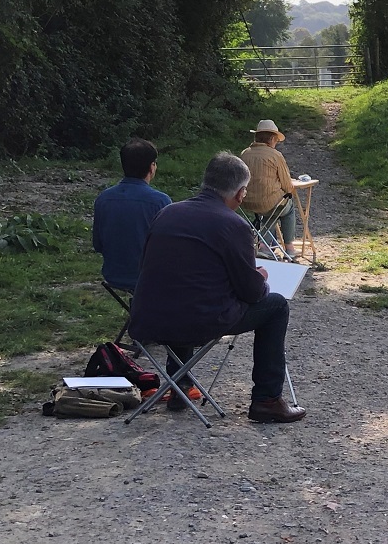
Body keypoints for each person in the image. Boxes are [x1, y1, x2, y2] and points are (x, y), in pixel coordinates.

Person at [128, 152, 306, 422]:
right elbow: (252, 293)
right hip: (198, 323)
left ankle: (180, 386)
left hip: (148, 319)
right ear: (240, 194)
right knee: (277, 306)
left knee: (183, 291)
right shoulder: (233, 224)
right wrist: (260, 275)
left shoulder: (167, 213)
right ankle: (267, 400)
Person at [91, 138, 171, 291]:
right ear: (151, 167)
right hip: (149, 277)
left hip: (113, 275)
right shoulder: (161, 201)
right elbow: (169, 248)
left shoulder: (104, 198)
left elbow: (98, 244)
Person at [240, 119, 298, 257]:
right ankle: (289, 248)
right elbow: (287, 184)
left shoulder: (244, 154)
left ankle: (266, 246)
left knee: (269, 211)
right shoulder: (275, 155)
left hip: (245, 202)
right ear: (272, 139)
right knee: (286, 207)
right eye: (276, 141)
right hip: (269, 203)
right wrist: (290, 191)